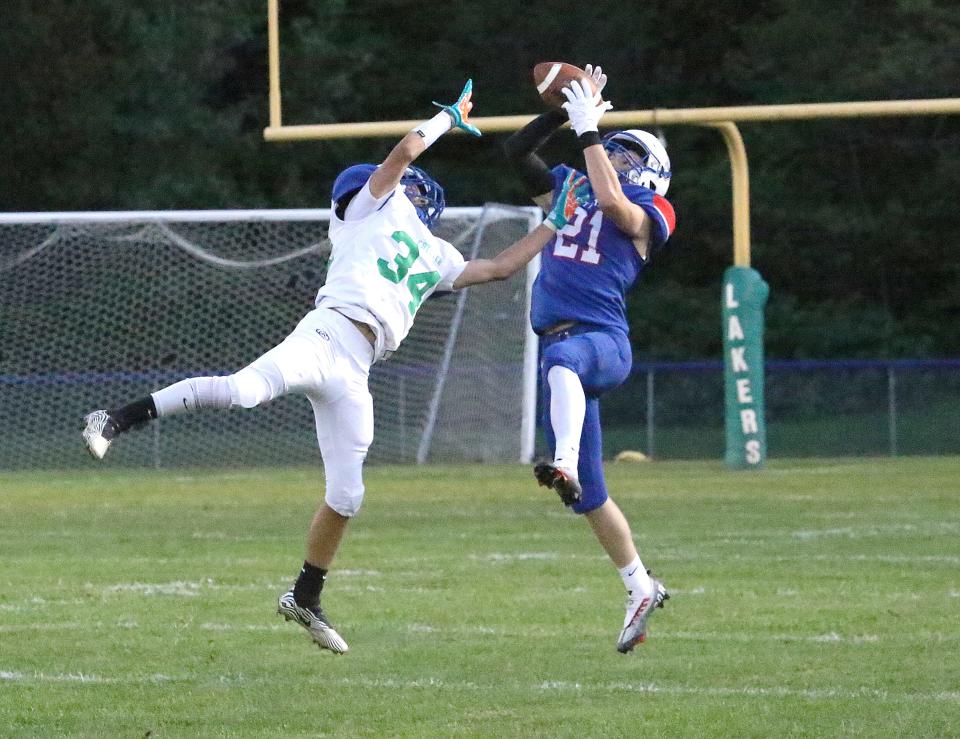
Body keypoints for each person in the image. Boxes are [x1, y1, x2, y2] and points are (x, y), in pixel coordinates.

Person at [81, 80, 591, 654]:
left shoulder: (436, 252)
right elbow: (400, 157)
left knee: (348, 496)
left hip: (359, 368)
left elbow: (497, 268)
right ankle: (114, 419)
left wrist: (555, 225)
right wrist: (447, 120)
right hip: (327, 334)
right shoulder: (370, 208)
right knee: (242, 392)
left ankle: (304, 596)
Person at [503, 65, 676, 653]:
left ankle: (565, 459)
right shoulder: (571, 188)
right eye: (616, 150)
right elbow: (517, 151)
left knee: (565, 367)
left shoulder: (652, 212)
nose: (617, 159)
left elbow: (611, 195)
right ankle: (639, 586)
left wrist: (587, 129)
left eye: (629, 155)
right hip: (560, 343)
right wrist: (567, 109)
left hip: (601, 342)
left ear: (651, 173)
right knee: (589, 497)